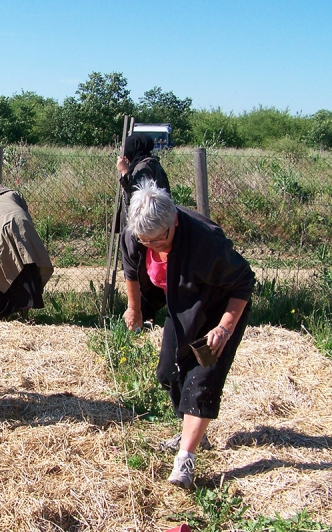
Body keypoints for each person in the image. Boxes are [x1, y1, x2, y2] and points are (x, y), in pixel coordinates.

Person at [120, 180, 254, 489]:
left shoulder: (206, 241)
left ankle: (186, 458)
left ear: (174, 222)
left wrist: (224, 327)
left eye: (160, 239)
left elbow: (244, 282)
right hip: (183, 306)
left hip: (218, 307)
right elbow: (130, 271)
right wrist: (135, 309)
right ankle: (194, 431)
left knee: (202, 378)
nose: (154, 246)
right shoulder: (136, 236)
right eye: (146, 240)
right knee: (169, 371)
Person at [0, 184, 54, 319]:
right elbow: (25, 211)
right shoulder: (15, 194)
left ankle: (3, 313)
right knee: (28, 261)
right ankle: (25, 309)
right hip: (22, 222)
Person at [116, 132, 170, 233]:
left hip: (144, 227)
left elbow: (138, 198)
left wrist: (125, 172)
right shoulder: (149, 163)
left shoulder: (144, 167)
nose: (125, 155)